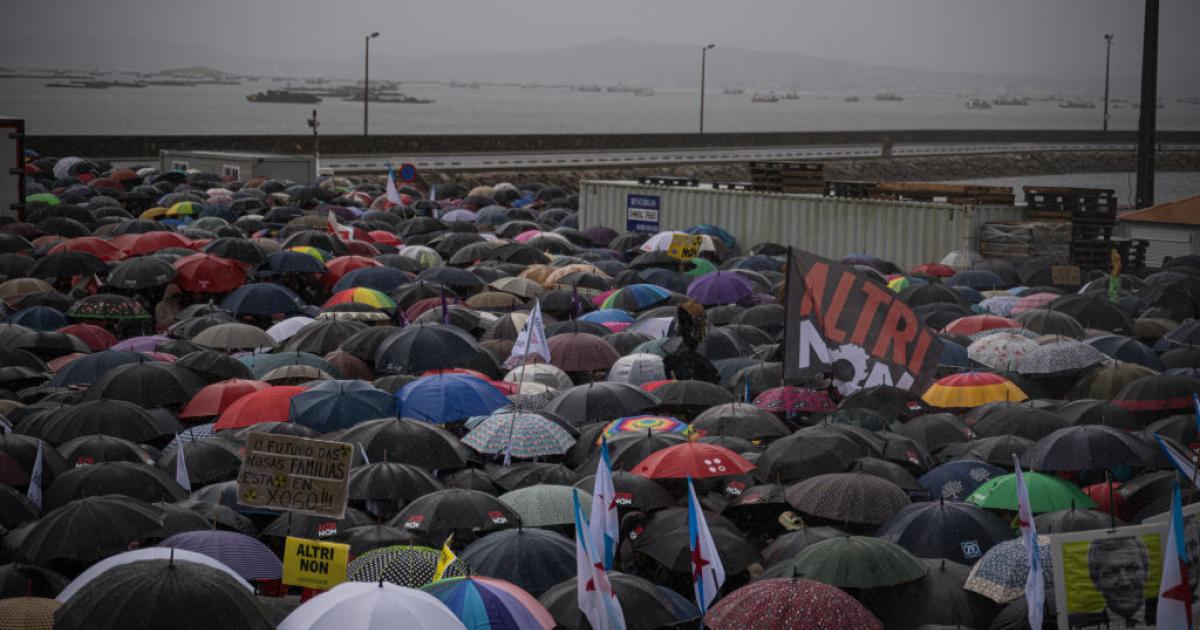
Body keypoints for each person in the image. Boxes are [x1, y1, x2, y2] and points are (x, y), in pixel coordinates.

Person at [1068, 535, 1156, 630]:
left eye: (1132, 569)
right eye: (1111, 572)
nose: (1124, 582)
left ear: (1146, 572)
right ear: (1095, 581)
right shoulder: (1076, 625)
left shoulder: (1166, 609)